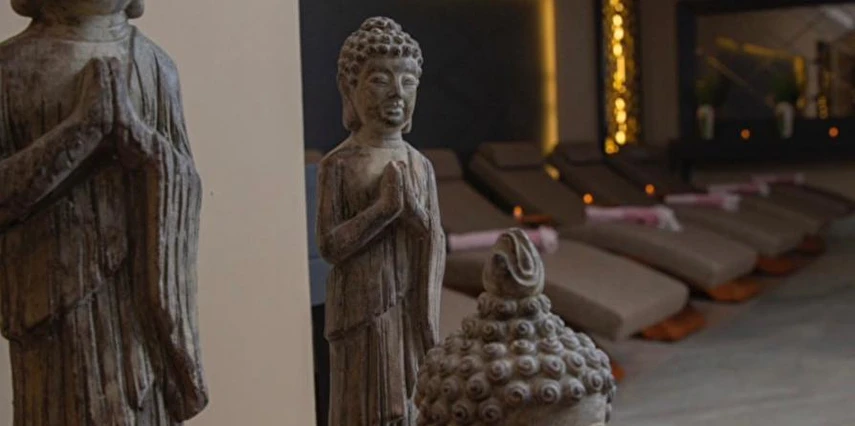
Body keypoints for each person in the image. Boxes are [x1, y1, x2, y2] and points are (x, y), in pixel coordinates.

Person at [0, 1, 207, 424]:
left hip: (139, 306)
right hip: (50, 306)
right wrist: (79, 132)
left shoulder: (153, 65)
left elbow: (186, 180)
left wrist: (140, 140)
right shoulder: (10, 66)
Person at [316, 16, 446, 426]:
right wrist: (383, 210)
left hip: (408, 304)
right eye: (379, 80)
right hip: (359, 310)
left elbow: (434, 238)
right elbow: (329, 245)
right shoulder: (339, 164)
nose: (396, 92)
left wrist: (416, 215)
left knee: (409, 404)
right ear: (349, 88)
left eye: (408, 82)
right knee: (362, 408)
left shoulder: (419, 164)